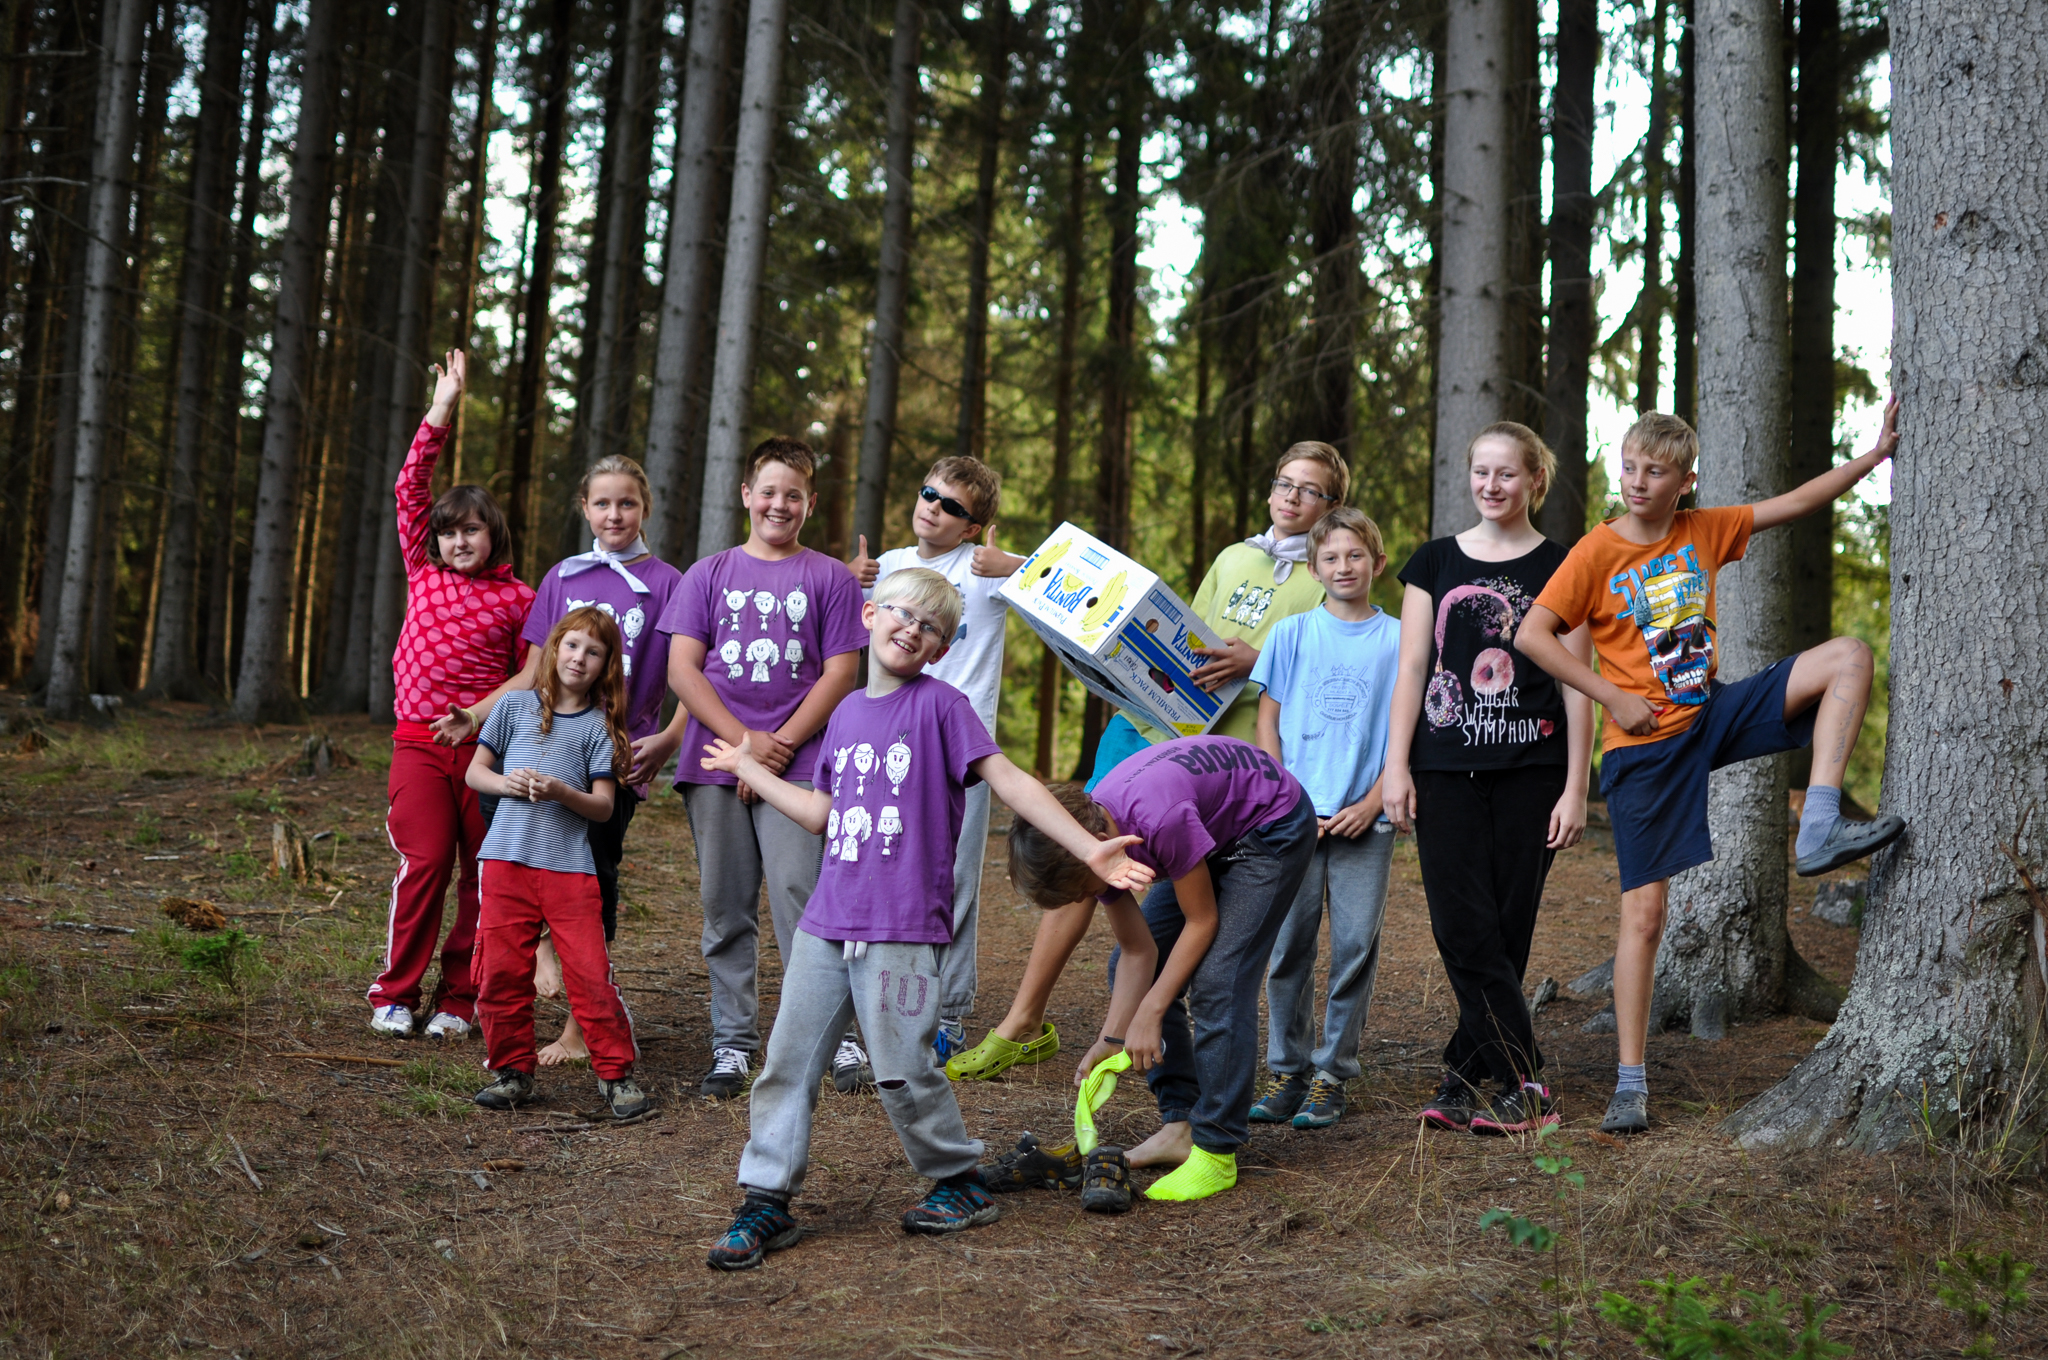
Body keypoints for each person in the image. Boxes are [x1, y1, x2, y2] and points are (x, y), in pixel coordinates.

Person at [699, 568, 1155, 1269]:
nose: (912, 630)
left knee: (903, 1069)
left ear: (941, 649)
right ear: (870, 614)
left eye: (930, 627)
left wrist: (1087, 844)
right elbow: (822, 813)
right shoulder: (845, 712)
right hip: (827, 922)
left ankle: (957, 1180)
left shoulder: (943, 707)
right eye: (902, 614)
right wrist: (751, 770)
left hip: (904, 927)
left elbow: (1009, 781)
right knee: (786, 1065)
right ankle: (766, 1198)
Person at [1516, 400, 1906, 1136]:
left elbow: (1796, 502)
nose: (1637, 481)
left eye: (1654, 471)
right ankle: (1630, 1084)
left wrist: (1875, 456)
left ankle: (1819, 823)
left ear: (1685, 483)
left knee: (1849, 656)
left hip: (1712, 711)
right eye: (1629, 467)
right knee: (1646, 916)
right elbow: (1532, 635)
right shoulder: (1596, 551)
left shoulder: (1705, 530)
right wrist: (1611, 697)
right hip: (1641, 747)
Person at [948, 441, 1346, 1084]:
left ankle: (1241, 1072)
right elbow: (1175, 624)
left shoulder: (1327, 572)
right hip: (1154, 727)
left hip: (1232, 753)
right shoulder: (1234, 556)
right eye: (1284, 482)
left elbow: (1335, 664)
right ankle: (1024, 1018)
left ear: (1332, 506)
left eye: (1311, 490)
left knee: (1197, 916)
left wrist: (1256, 661)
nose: (1293, 497)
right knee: (1081, 852)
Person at [436, 454, 687, 1065]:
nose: (614, 514)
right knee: (512, 850)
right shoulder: (563, 577)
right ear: (584, 508)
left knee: (595, 882)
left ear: (645, 508)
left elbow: (691, 671)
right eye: (602, 503)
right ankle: (536, 949)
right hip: (539, 748)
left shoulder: (670, 582)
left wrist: (670, 738)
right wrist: (476, 716)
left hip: (616, 759)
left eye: (626, 503)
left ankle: (578, 1027)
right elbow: (531, 671)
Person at [1381, 423, 1595, 1136]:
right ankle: (1523, 1079)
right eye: (1481, 472)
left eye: (1507, 473)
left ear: (1535, 479)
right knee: (1460, 925)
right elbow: (1413, 668)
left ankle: (1467, 1070)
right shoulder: (1434, 561)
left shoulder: (1565, 564)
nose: (1492, 485)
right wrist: (1395, 766)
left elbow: (1577, 684)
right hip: (1443, 769)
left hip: (1533, 772)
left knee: (1505, 929)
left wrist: (1576, 786)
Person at [1006, 734, 1316, 1206]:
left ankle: (1217, 1148)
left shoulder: (1157, 820)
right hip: (1209, 829)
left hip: (1270, 826)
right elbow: (1137, 952)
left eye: (1084, 890)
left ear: (1103, 846)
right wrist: (1111, 1039)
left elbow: (1202, 921)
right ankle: (1181, 1124)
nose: (1087, 898)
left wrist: (1151, 1011)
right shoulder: (1094, 843)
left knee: (1219, 982)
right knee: (1125, 970)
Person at [659, 436, 867, 1099]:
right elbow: (683, 669)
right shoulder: (707, 574)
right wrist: (744, 744)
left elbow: (841, 672)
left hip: (801, 761)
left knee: (804, 900)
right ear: (747, 494)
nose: (780, 504)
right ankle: (733, 1042)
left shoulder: (830, 577)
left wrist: (778, 745)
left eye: (794, 495)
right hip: (716, 760)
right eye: (769, 491)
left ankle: (830, 1036)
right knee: (725, 907)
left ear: (810, 503)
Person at [367, 350, 536, 1040]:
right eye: (448, 530)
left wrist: (483, 719)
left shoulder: (521, 598)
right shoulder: (423, 572)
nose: (459, 540)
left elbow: (530, 679)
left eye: (472, 529)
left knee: (482, 875)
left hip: (486, 751)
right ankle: (395, 993)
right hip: (418, 743)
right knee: (428, 861)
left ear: (492, 533)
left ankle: (460, 999)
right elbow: (409, 486)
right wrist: (442, 408)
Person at [848, 456, 1026, 1063]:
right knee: (879, 863)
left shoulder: (986, 571)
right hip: (884, 744)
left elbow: (1077, 594)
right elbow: (839, 619)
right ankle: (872, 1006)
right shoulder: (888, 566)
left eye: (952, 506)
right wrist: (848, 577)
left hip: (960, 750)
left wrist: (1016, 570)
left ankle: (946, 1013)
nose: (934, 508)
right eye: (929, 493)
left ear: (971, 527)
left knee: (952, 879)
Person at [1245, 507, 1402, 1130]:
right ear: (1313, 568)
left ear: (1377, 563)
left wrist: (1374, 802)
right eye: (1331, 558)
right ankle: (1287, 1070)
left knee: (1355, 946)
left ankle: (1332, 1074)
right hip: (1295, 819)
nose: (1343, 567)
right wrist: (1288, 803)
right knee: (1288, 946)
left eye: (1355, 555)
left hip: (1366, 818)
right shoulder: (1291, 633)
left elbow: (1407, 735)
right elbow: (1267, 724)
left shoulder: (1399, 640)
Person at [464, 608, 648, 1118]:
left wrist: (563, 792)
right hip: (505, 861)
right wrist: (507, 784)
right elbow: (476, 773)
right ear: (554, 648)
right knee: (501, 971)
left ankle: (615, 1076)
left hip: (568, 867)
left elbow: (603, 806)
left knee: (589, 973)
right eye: (571, 645)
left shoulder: (600, 728)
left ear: (607, 665)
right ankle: (512, 1071)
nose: (579, 658)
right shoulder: (514, 706)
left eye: (594, 652)